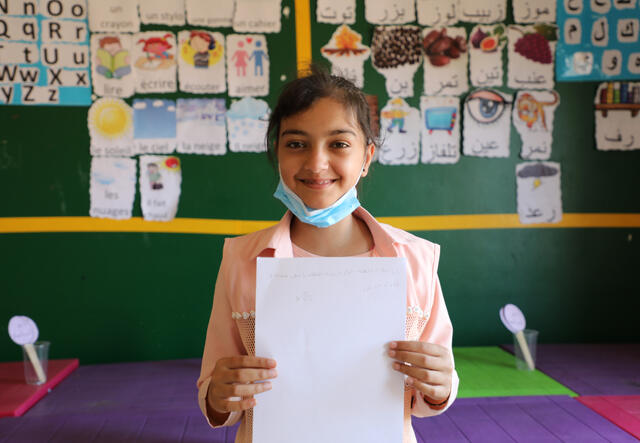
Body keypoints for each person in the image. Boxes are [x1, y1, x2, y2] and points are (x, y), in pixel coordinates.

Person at [197, 65, 459, 443]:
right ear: (277, 152)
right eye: (296, 143)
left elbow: (428, 393)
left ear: (367, 157)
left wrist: (440, 385)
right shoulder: (242, 259)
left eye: (338, 144)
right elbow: (217, 390)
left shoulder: (414, 260)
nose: (316, 163)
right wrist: (220, 395)